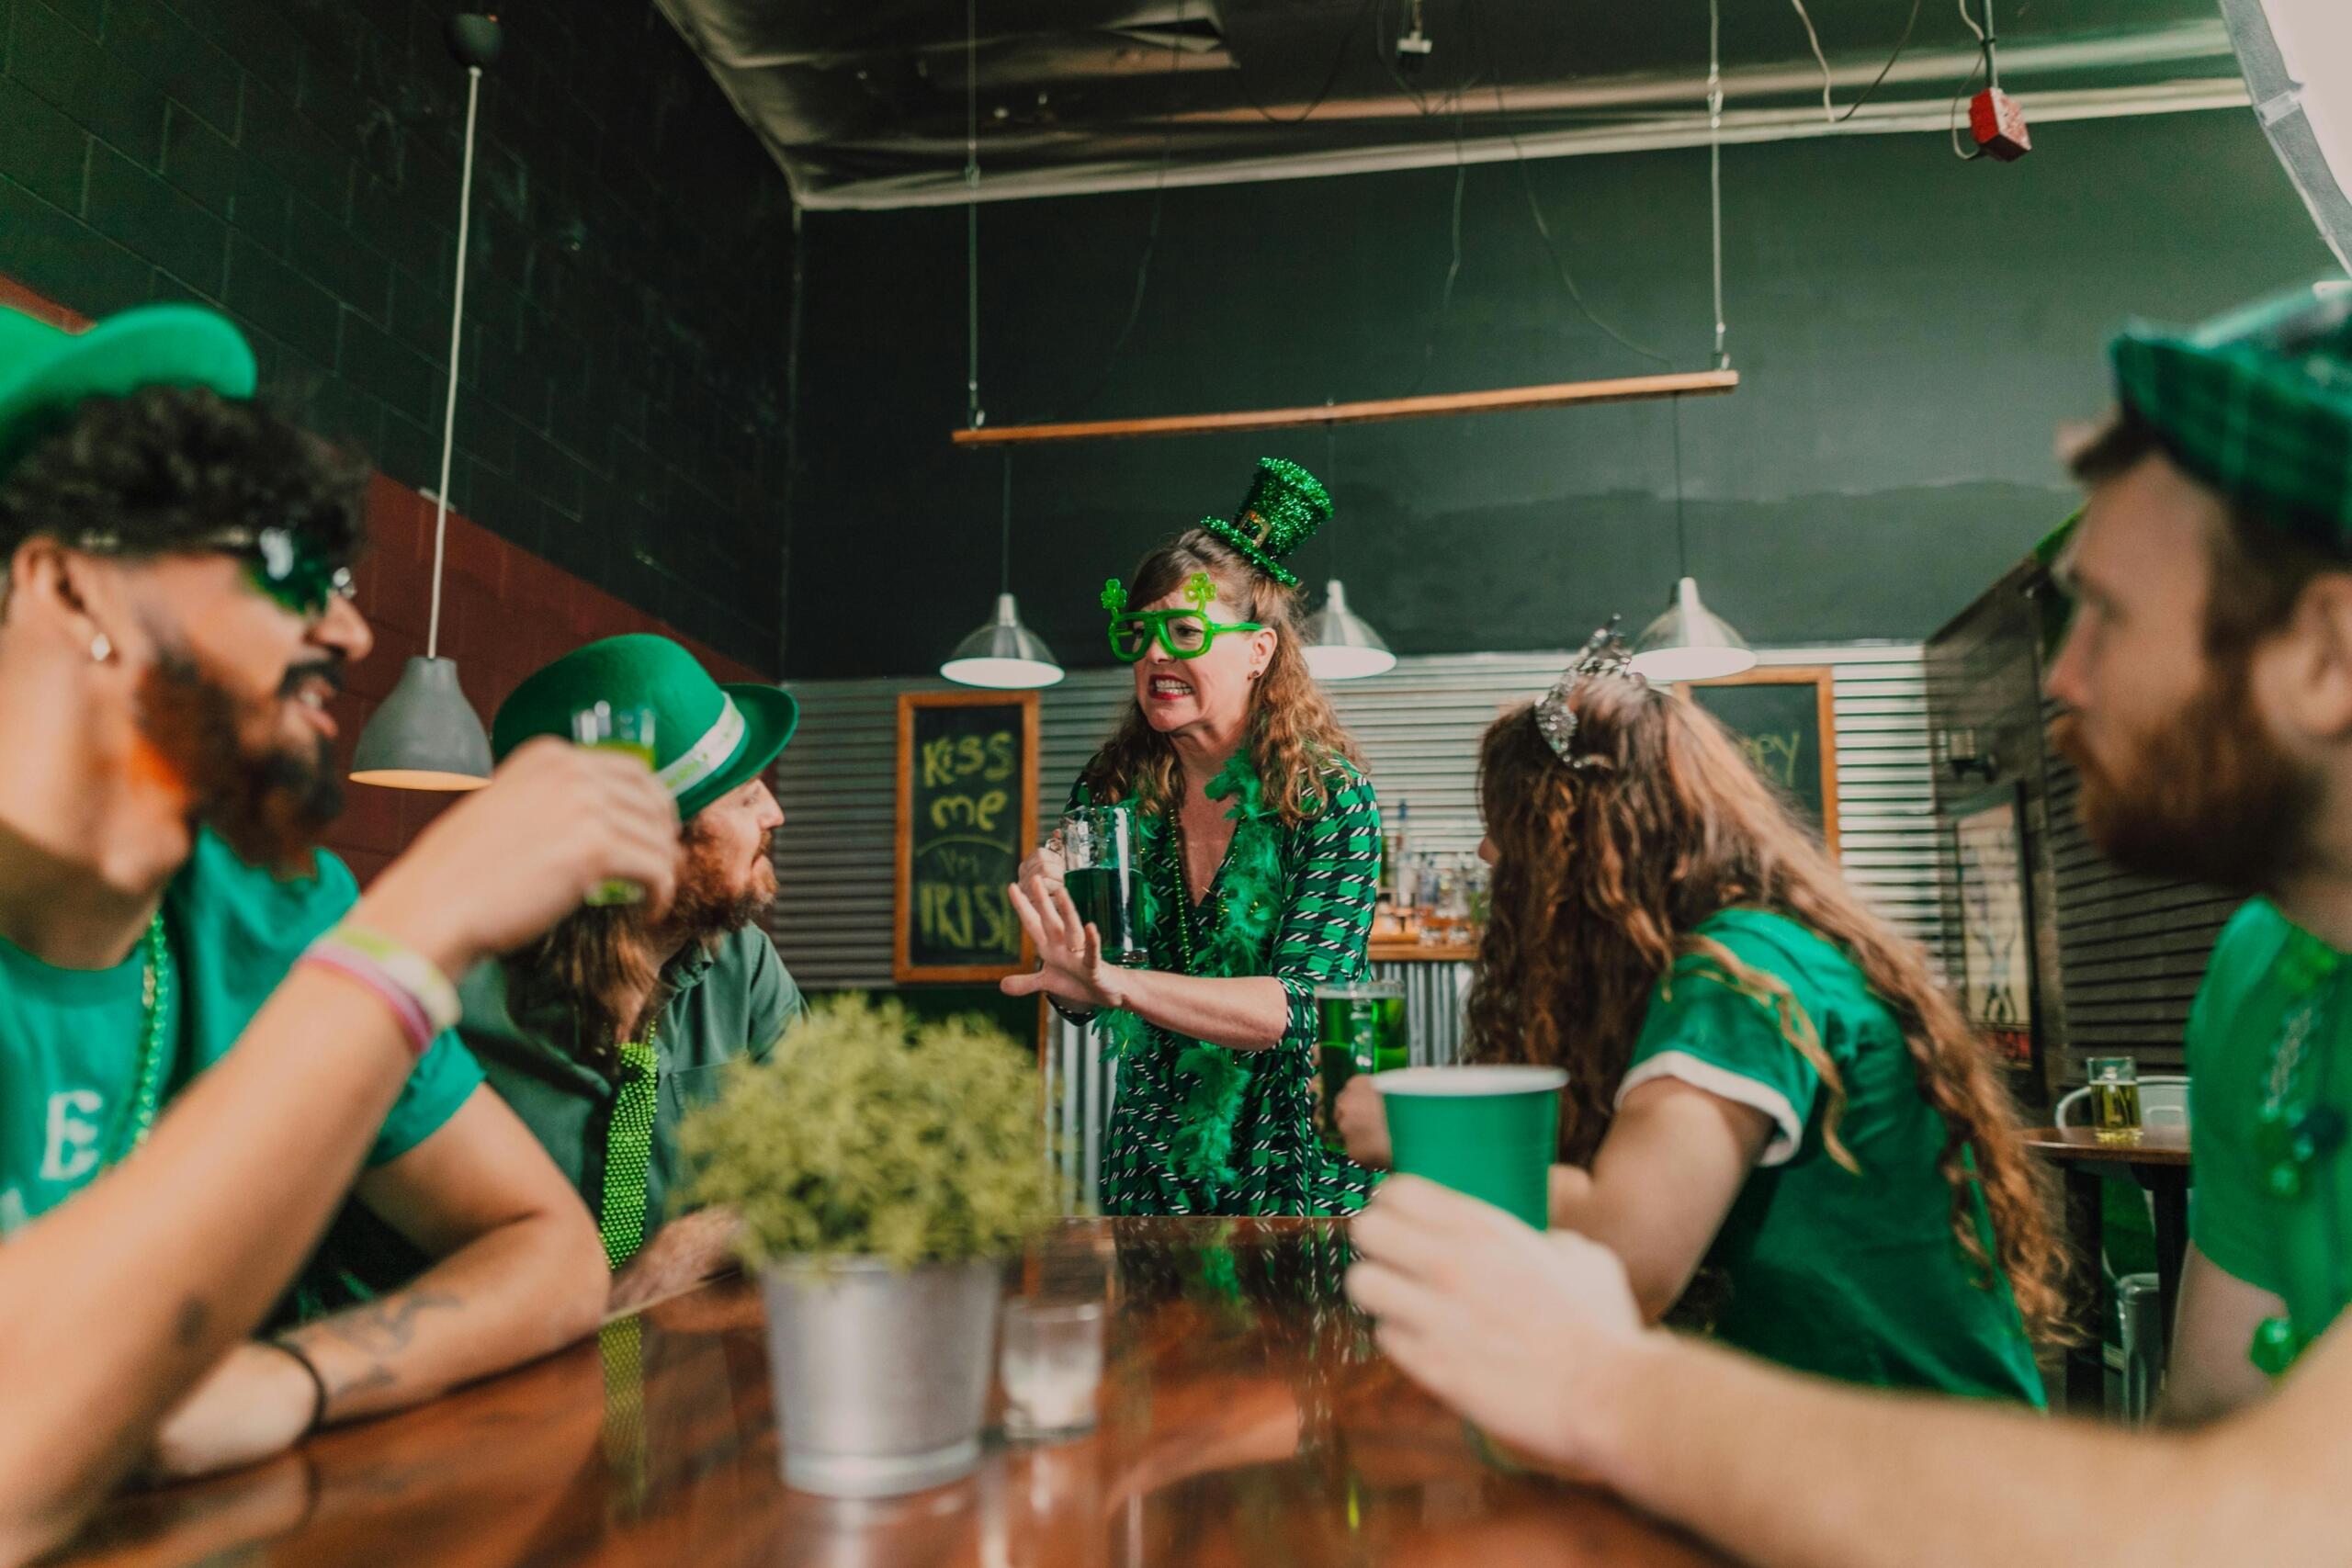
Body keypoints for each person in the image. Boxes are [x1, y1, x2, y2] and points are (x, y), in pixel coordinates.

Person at [1346, 281, 2352, 1567]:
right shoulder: (2266, 975)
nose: (2060, 674)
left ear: (2325, 652)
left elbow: (2269, 1521)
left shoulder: (1746, 968)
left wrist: (1597, 1384)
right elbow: (2212, 1431)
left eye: (2107, 611)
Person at [0, 301, 683, 1564]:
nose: (351, 631)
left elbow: (549, 1250)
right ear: (66, 581)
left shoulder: (256, 904)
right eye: (286, 564)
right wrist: (421, 920)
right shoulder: (347, 931)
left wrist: (299, 1378)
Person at [1336, 627, 2063, 1399]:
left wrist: (1422, 1136)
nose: (1487, 857)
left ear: (1575, 837)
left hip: (1912, 1464)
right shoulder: (1753, 949)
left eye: (1503, 827)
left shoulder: (1739, 976)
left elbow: (1629, 1255)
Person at [1003, 458, 1383, 1216]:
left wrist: (1122, 985)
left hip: (1298, 1156)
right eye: (1140, 634)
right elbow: (1090, 994)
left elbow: (1296, 1008)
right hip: (1157, 1155)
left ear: (1258, 651)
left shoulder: (1329, 797)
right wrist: (1061, 940)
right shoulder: (1109, 792)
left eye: (1183, 630)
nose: (1154, 655)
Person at [458, 635, 799, 1312]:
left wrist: (698, 1242)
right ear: (649, 841)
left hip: (686, 1388)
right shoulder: (456, 1001)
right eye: (745, 798)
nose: (774, 815)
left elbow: (823, 1170)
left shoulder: (744, 966)